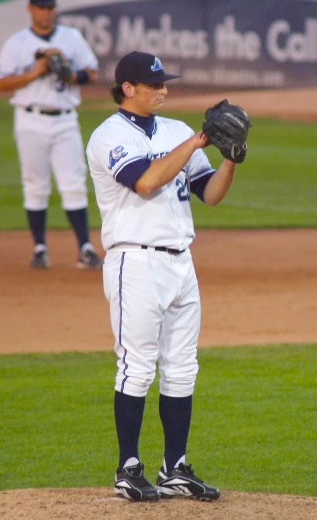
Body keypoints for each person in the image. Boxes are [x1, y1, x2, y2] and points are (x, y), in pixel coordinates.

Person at [86, 51, 243, 502]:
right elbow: (146, 182)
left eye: (165, 83)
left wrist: (231, 158)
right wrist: (197, 142)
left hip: (180, 262)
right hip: (134, 263)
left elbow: (209, 194)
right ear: (128, 88)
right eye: (155, 85)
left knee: (182, 369)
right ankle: (127, 468)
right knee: (136, 368)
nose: (165, 91)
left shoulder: (174, 131)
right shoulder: (109, 136)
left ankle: (174, 468)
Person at [0, 0, 102, 270]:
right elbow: (1, 83)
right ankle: (40, 248)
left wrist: (71, 75)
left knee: (74, 183)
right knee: (35, 184)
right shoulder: (17, 42)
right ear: (30, 9)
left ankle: (84, 248)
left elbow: (92, 73)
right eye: (41, 7)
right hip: (29, 120)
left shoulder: (71, 37)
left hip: (65, 120)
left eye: (50, 7)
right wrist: (36, 72)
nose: (46, 12)